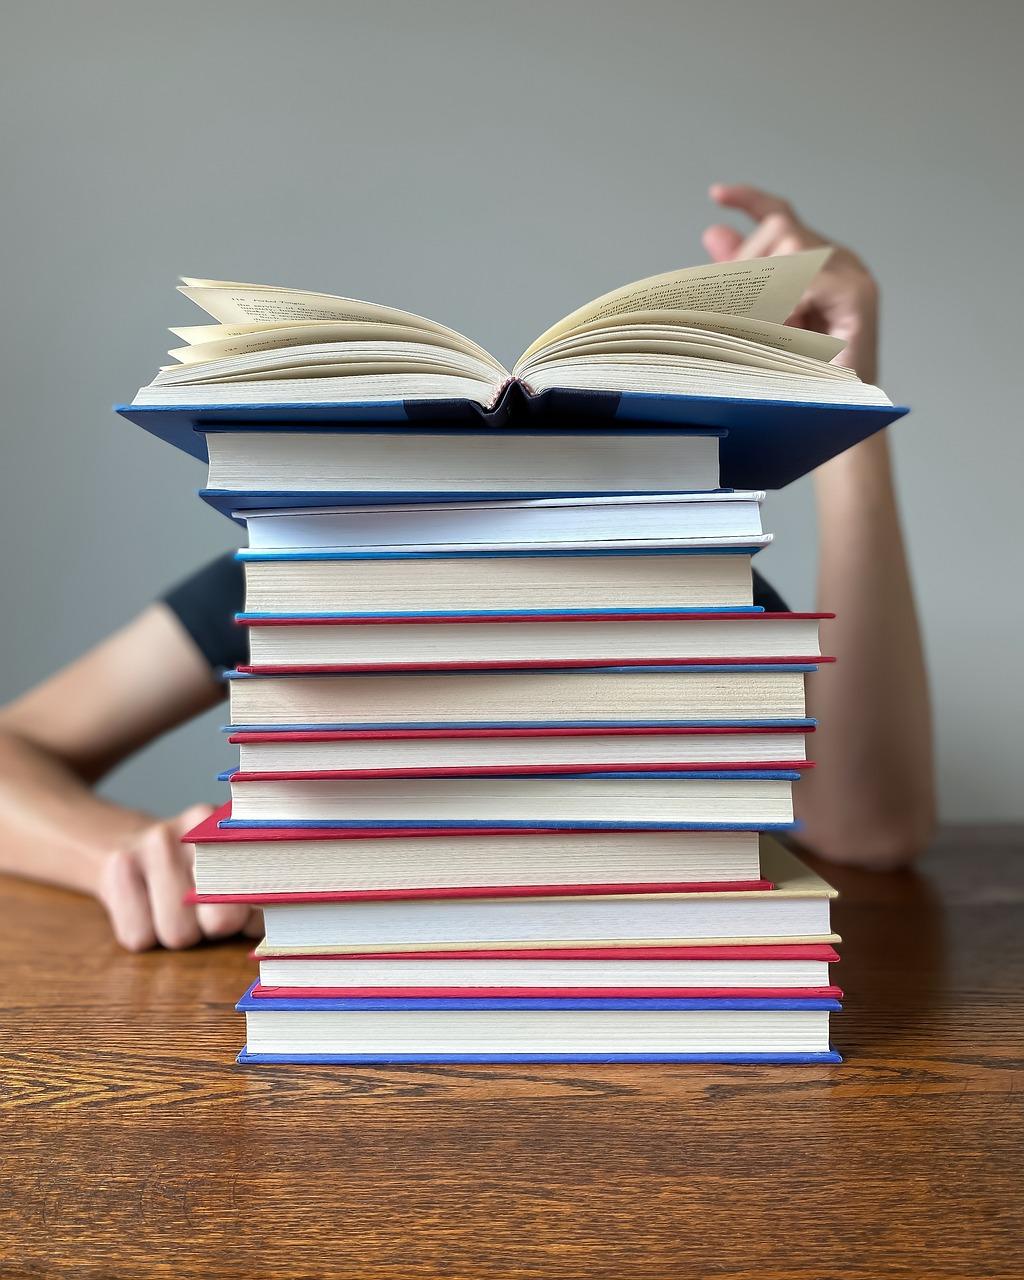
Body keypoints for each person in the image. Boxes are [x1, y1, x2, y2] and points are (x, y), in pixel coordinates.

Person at [0, 184, 936, 952]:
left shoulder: (684, 590)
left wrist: (844, 405)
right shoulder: (290, 583)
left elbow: (870, 831)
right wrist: (124, 853)